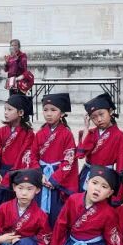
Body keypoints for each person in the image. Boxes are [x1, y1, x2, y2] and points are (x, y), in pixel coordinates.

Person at [0, 94, 37, 229]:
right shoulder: (1, 132)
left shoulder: (29, 134)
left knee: (13, 208)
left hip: (17, 176)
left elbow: (25, 156)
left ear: (20, 113)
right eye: (5, 109)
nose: (6, 112)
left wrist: (12, 176)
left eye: (9, 109)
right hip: (0, 173)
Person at [35, 93, 78, 226]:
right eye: (45, 110)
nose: (48, 114)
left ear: (62, 113)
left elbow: (69, 160)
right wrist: (39, 174)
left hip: (58, 178)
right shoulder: (39, 133)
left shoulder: (67, 134)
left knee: (57, 212)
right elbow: (32, 156)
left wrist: (55, 179)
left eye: (53, 110)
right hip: (42, 176)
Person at [76, 94, 123, 194]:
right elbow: (80, 155)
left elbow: (121, 164)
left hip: (106, 175)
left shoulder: (120, 136)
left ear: (110, 112)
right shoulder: (89, 133)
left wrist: (118, 187)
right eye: (94, 117)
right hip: (88, 173)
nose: (99, 120)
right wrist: (86, 128)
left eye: (101, 114)